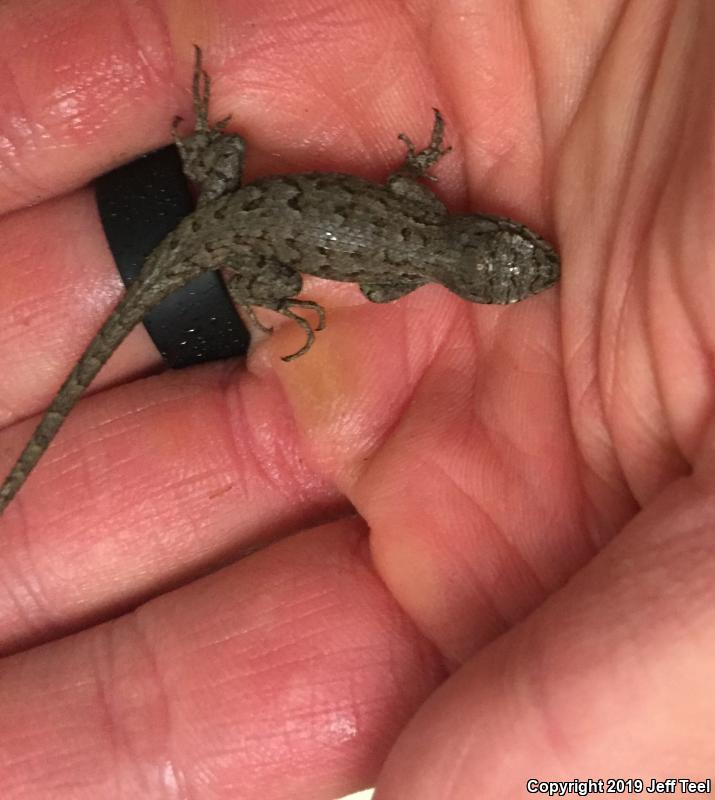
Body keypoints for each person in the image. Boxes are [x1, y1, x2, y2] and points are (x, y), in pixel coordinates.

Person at [0, 2, 711, 797]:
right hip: (234, 231)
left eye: (515, 253)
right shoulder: (406, 269)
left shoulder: (423, 210)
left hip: (236, 210)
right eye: (518, 253)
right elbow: (373, 277)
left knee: (224, 159)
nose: (524, 251)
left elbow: (400, 191)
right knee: (252, 273)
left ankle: (206, 156)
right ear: (473, 256)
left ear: (480, 243)